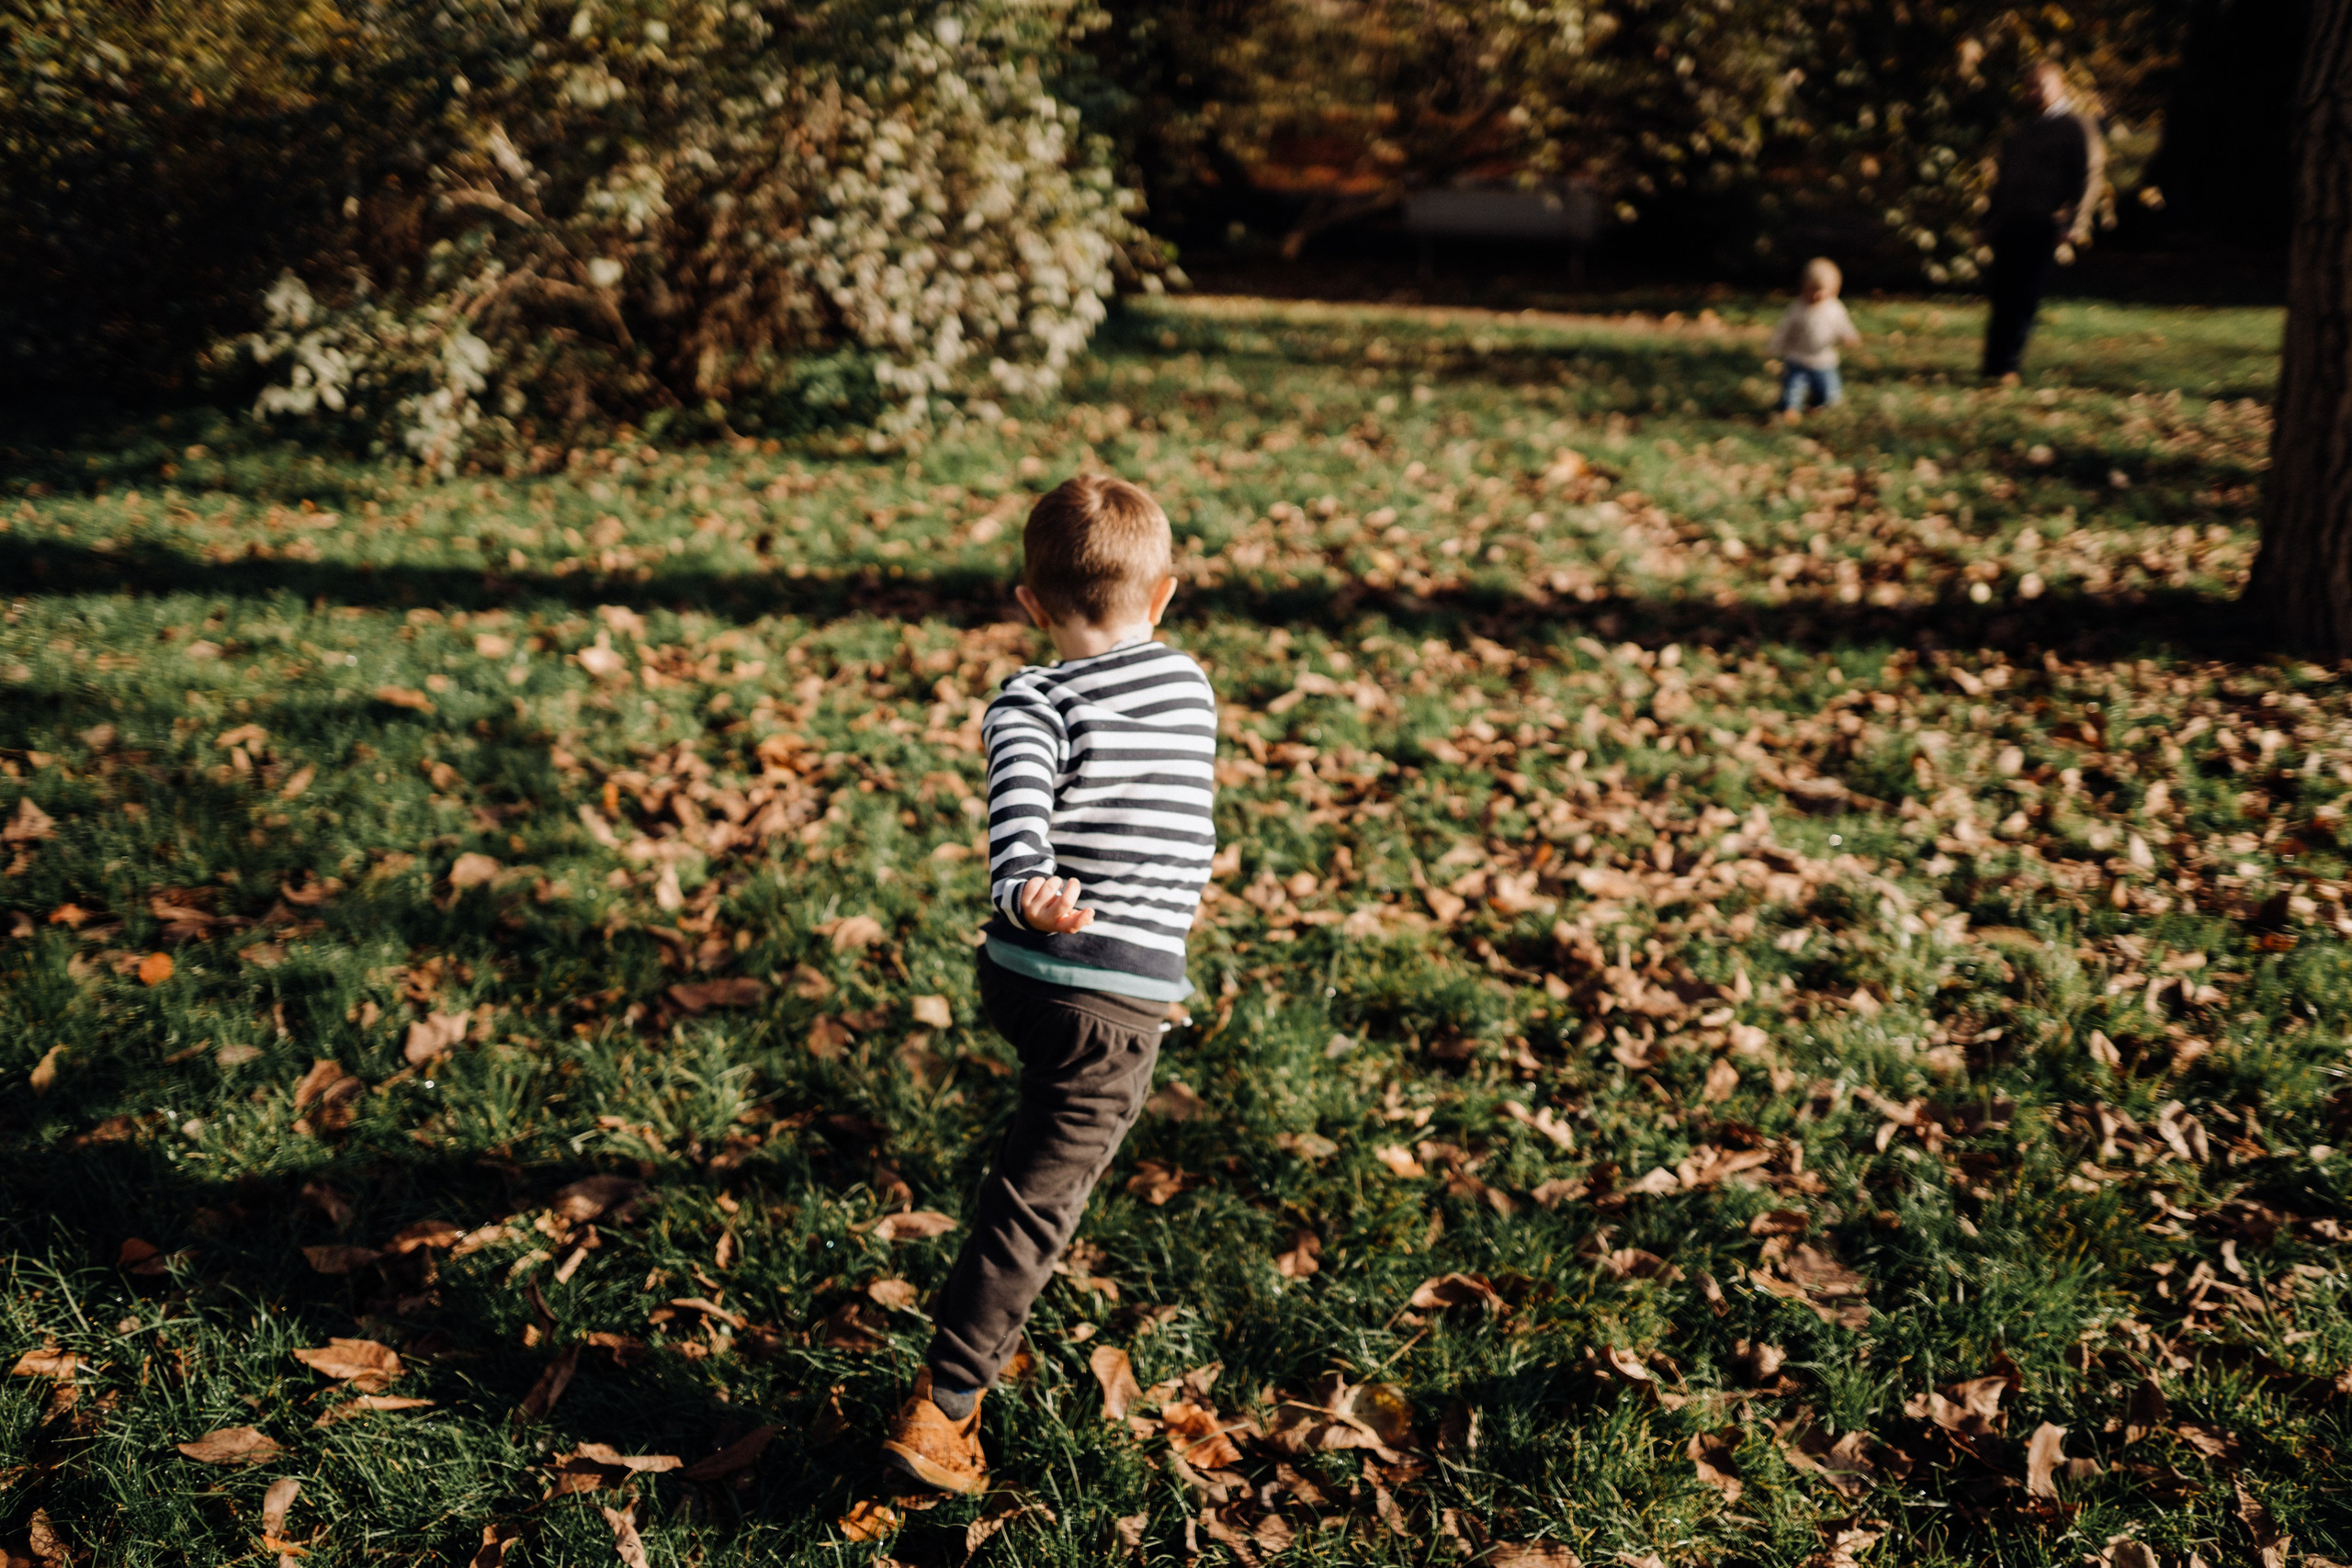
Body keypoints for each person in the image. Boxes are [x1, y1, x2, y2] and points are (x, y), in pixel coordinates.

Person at [879, 474, 1217, 1495]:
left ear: (1028, 605)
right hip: (1106, 997)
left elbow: (1019, 801)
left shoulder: (1028, 695)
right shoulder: (1187, 683)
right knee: (1037, 1199)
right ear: (1163, 598)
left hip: (1025, 972)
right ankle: (943, 1406)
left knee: (1049, 1108)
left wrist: (1026, 887)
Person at [1981, 60, 2102, 380]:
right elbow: (2001, 180)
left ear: (2059, 86)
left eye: (2040, 86)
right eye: (2029, 87)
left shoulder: (2076, 126)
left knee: (2024, 296)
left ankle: (2008, 367)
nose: (2033, 93)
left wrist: (2076, 222)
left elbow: (2090, 176)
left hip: (2044, 222)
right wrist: (1986, 221)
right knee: (2001, 294)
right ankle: (1993, 367)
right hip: (2011, 222)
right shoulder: (2022, 131)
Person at [1766, 257, 1860, 418]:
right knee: (1793, 388)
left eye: (1823, 290)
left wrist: (1849, 336)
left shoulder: (1834, 308)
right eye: (1812, 290)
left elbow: (1843, 325)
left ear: (1835, 289)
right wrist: (1774, 345)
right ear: (1802, 286)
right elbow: (1784, 329)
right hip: (1798, 358)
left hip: (1824, 360)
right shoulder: (1797, 308)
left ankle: (1821, 406)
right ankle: (1791, 409)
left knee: (1828, 390)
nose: (1817, 295)